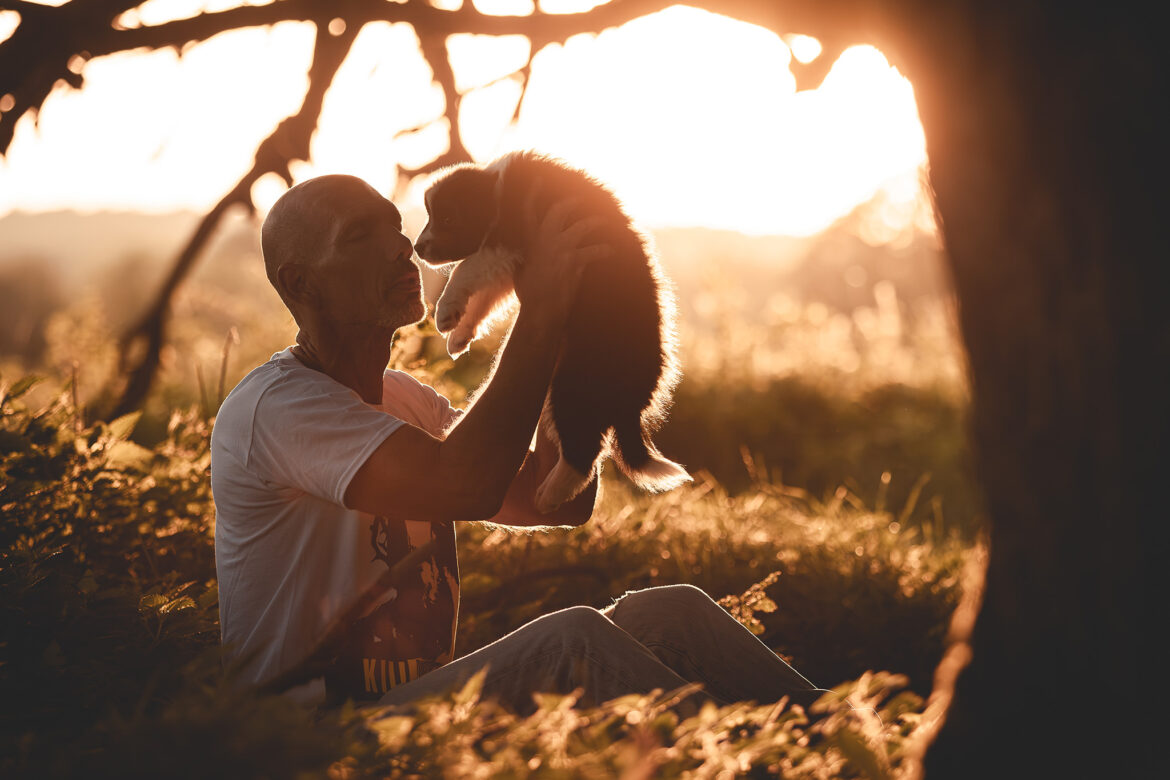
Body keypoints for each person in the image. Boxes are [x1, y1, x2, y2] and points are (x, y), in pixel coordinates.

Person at [210, 174, 821, 713]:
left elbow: (556, 500)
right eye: (359, 236)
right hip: (315, 738)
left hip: (417, 709)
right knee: (572, 641)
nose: (400, 246)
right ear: (301, 283)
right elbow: (464, 484)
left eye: (396, 227)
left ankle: (876, 742)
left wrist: (567, 325)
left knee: (674, 613)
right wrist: (544, 310)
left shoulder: (405, 399)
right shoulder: (279, 408)